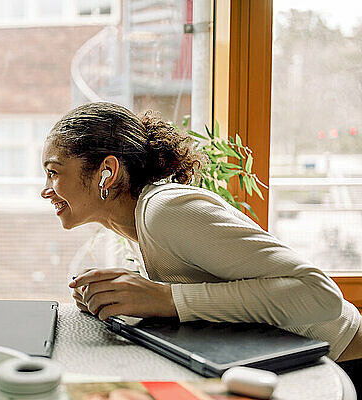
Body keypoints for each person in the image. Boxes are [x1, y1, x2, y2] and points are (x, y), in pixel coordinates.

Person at [40, 102, 362, 387]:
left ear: (106, 172)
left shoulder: (163, 212)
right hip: (289, 370)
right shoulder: (135, 230)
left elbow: (320, 295)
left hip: (342, 365)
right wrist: (115, 300)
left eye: (53, 172)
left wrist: (166, 299)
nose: (46, 190)